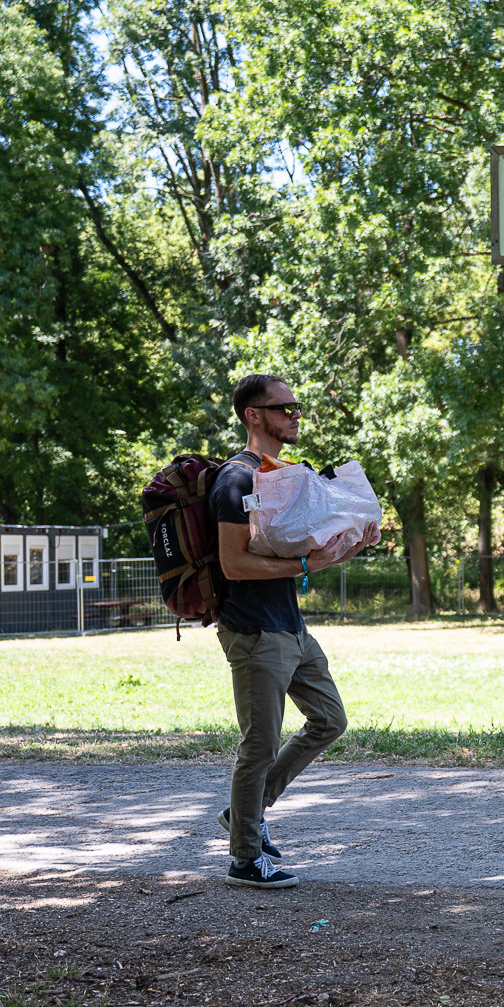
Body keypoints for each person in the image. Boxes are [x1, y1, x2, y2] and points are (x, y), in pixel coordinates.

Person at [210, 374, 377, 889]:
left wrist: (351, 546)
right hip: (254, 630)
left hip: (291, 628)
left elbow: (309, 560)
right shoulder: (237, 481)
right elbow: (234, 564)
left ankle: (247, 811)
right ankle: (244, 859)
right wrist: (305, 562)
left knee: (329, 720)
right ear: (252, 415)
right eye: (283, 408)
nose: (294, 415)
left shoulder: (281, 476)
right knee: (258, 747)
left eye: (296, 407)